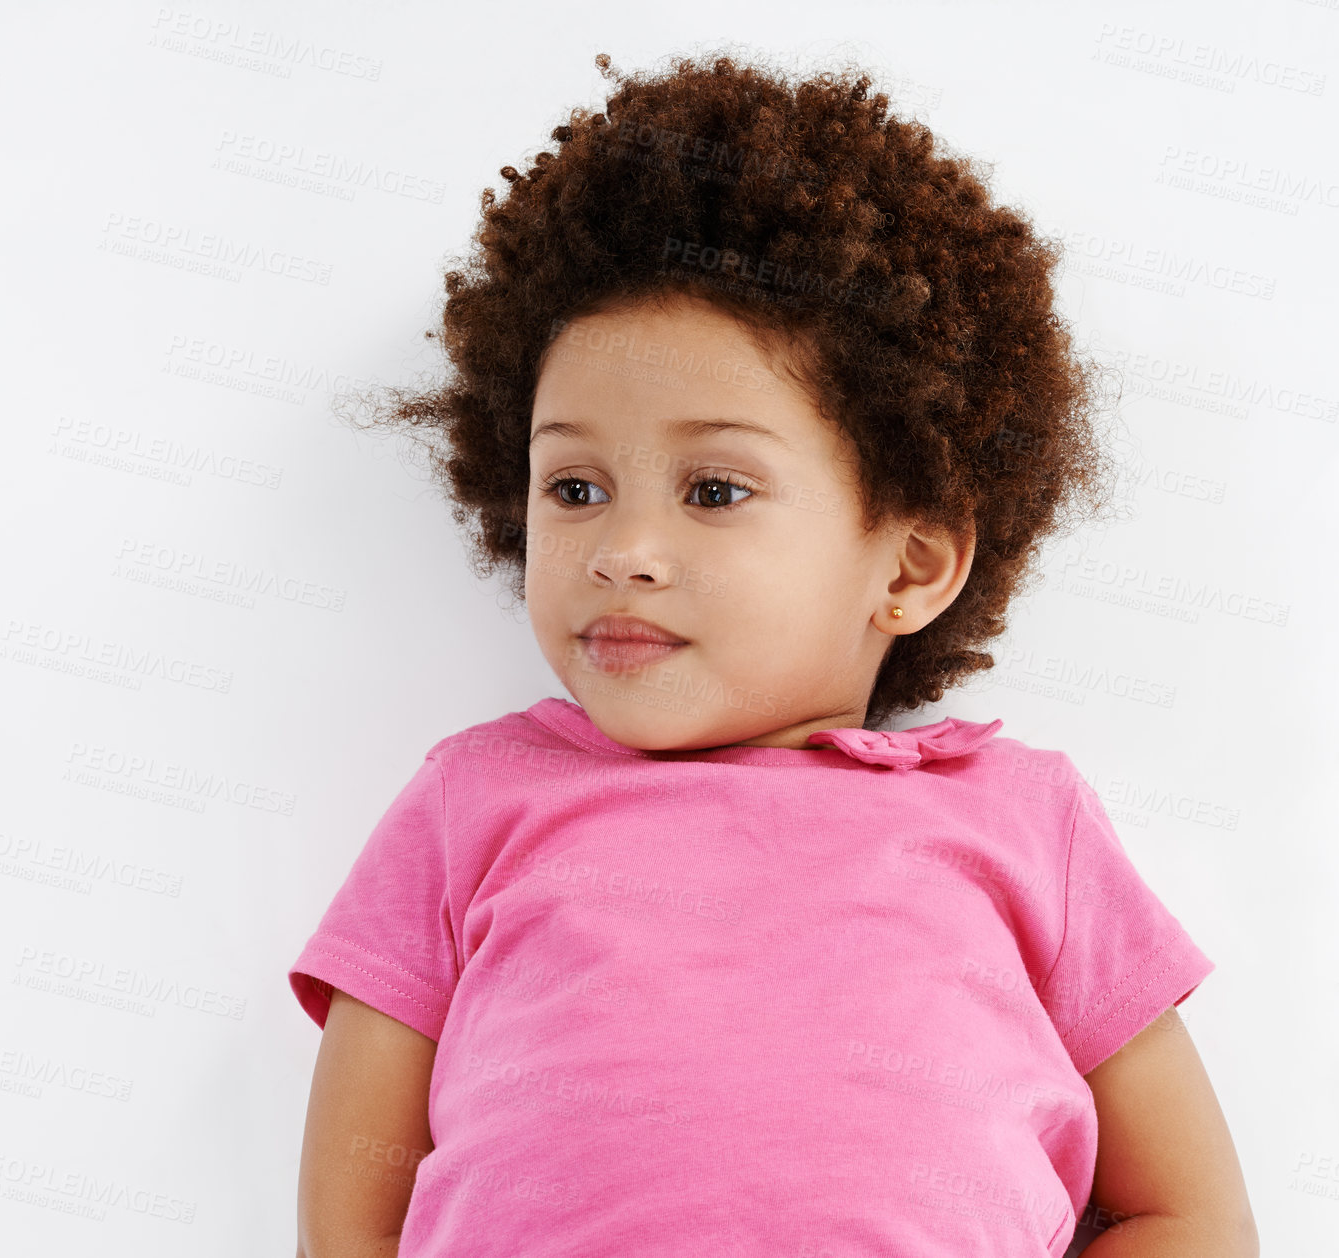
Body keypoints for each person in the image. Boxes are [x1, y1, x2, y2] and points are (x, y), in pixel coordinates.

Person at [289, 50, 1258, 1258]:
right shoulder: (469, 803)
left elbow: (1189, 1213)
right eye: (575, 485)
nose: (623, 550)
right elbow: (352, 1217)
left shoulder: (1023, 823)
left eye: (713, 488)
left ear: (906, 566)